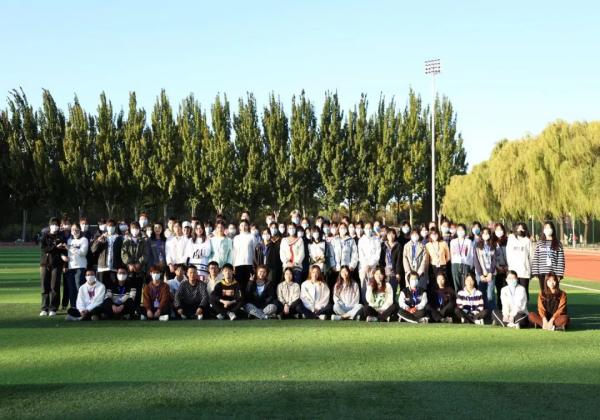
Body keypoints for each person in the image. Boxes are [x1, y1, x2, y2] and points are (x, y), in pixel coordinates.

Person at [40, 217, 67, 316]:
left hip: (57, 264)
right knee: (44, 286)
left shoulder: (61, 237)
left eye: (56, 225)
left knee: (55, 287)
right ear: (50, 225)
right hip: (45, 264)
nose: (55, 226)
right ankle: (44, 308)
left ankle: (53, 308)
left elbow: (63, 250)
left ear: (59, 226)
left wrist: (61, 253)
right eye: (53, 224)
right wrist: (55, 247)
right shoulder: (45, 236)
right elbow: (44, 249)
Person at [531, 221, 565, 291]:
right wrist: (535, 272)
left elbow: (560, 260)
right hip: (542, 273)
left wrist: (559, 274)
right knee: (543, 292)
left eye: (549, 228)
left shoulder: (558, 244)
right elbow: (536, 258)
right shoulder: (540, 243)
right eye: (546, 228)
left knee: (553, 292)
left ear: (553, 229)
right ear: (543, 230)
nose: (548, 229)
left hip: (553, 273)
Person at [91, 219, 123, 288]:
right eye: (109, 226)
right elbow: (93, 250)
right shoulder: (102, 237)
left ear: (115, 227)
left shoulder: (119, 238)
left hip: (114, 268)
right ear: (106, 227)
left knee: (113, 289)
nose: (110, 227)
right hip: (102, 268)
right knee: (101, 289)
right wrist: (99, 241)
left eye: (112, 226)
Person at [121, 221, 146, 308]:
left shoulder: (143, 241)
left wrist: (139, 263)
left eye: (136, 228)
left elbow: (145, 254)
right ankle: (130, 309)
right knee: (130, 290)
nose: (135, 230)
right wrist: (130, 264)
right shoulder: (126, 241)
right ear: (130, 229)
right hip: (129, 270)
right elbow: (124, 254)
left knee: (138, 290)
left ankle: (137, 309)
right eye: (133, 228)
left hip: (140, 270)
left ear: (139, 229)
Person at [328, 222, 359, 293]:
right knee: (336, 286)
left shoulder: (351, 240)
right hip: (337, 268)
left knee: (347, 285)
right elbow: (331, 254)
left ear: (347, 229)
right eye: (341, 228)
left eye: (344, 228)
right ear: (338, 229)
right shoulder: (334, 240)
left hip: (347, 268)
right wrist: (333, 265)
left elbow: (354, 254)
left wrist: (352, 265)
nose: (342, 229)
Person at [506, 222, 533, 300]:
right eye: (518, 228)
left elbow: (531, 256)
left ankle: (525, 307)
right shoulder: (511, 239)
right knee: (513, 291)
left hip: (524, 272)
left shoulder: (527, 241)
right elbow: (508, 254)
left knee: (524, 292)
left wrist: (531, 270)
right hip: (513, 271)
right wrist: (510, 269)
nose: (520, 230)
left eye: (522, 228)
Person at [65, 223, 89, 309]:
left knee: (79, 287)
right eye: (73, 230)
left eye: (76, 229)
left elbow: (83, 253)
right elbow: (66, 253)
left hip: (80, 266)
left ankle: (82, 306)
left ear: (80, 230)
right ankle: (73, 307)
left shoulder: (84, 240)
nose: (75, 231)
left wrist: (70, 248)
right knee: (71, 288)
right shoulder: (69, 241)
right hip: (71, 267)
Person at [359, 222, 383, 299]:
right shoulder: (361, 240)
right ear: (364, 229)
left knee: (373, 285)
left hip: (373, 267)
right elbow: (361, 254)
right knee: (364, 286)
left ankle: (373, 302)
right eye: (366, 228)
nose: (368, 230)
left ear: (372, 229)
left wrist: (370, 264)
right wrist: (366, 265)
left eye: (370, 228)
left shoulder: (376, 240)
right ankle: (364, 302)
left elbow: (377, 254)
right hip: (363, 267)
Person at [474, 227, 497, 310]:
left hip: (491, 273)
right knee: (481, 293)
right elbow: (476, 260)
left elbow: (494, 260)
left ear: (490, 235)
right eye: (484, 233)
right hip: (480, 273)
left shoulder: (493, 245)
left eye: (487, 233)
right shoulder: (477, 245)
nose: (485, 235)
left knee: (490, 294)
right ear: (481, 235)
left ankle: (492, 312)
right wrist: (480, 274)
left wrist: (490, 273)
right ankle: (483, 312)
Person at [232, 219, 256, 292]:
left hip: (249, 264)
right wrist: (233, 265)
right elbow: (234, 252)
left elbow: (255, 251)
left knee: (249, 285)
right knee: (239, 285)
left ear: (248, 226)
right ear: (239, 227)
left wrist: (255, 263)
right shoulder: (236, 238)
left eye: (245, 225)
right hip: (238, 264)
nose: (243, 227)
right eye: (242, 225)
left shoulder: (252, 237)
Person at [449, 224, 474, 291]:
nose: (460, 231)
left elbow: (471, 255)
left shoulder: (468, 241)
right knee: (457, 285)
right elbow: (451, 254)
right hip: (455, 264)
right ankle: (458, 297)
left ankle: (465, 297)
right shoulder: (453, 241)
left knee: (466, 285)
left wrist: (470, 266)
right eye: (459, 230)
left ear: (465, 231)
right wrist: (453, 264)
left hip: (466, 264)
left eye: (462, 230)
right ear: (456, 231)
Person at [425, 227, 450, 294]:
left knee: (443, 283)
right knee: (433, 284)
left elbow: (448, 257)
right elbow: (427, 259)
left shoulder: (444, 243)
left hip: (442, 267)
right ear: (430, 235)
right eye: (432, 234)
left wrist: (442, 262)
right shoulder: (427, 245)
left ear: (438, 234)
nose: (434, 235)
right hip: (433, 267)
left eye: (435, 233)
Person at [494, 223, 509, 310]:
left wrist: (507, 267)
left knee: (507, 291)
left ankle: (508, 308)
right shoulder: (493, 242)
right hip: (498, 270)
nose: (499, 231)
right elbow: (493, 257)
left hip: (507, 270)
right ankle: (500, 309)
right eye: (497, 230)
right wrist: (498, 267)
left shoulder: (508, 241)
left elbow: (511, 254)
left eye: (500, 229)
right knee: (499, 291)